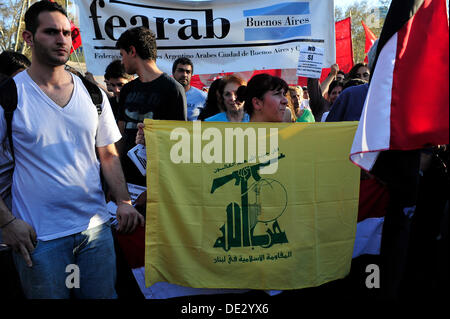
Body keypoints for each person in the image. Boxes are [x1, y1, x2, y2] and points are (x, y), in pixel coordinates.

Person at [0, 0, 143, 299]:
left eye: (66, 32)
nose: (62, 39)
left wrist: (123, 201)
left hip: (95, 233)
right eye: (51, 32)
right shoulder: (9, 96)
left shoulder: (93, 94)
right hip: (39, 240)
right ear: (29, 38)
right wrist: (8, 222)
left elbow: (107, 154)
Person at [115, 26, 187, 188]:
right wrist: (116, 183)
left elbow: (179, 144)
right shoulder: (127, 89)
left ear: (132, 51)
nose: (121, 61)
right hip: (127, 181)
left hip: (156, 184)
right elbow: (120, 134)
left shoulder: (173, 89)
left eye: (122, 55)